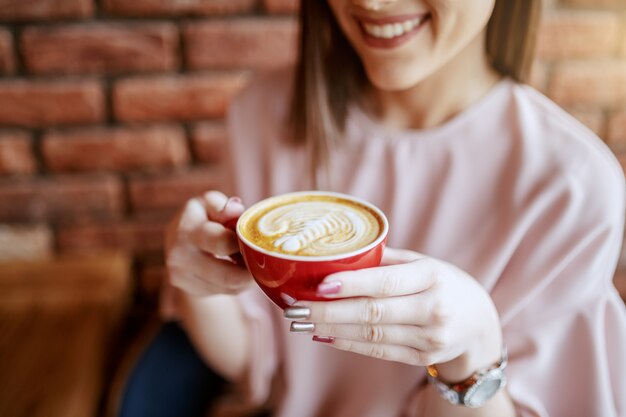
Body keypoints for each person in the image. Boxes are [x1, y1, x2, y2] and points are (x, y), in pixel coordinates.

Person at [161, 0, 626, 416]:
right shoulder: (263, 112)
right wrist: (196, 282)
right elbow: (252, 360)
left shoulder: (574, 187)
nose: (373, 4)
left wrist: (473, 353)